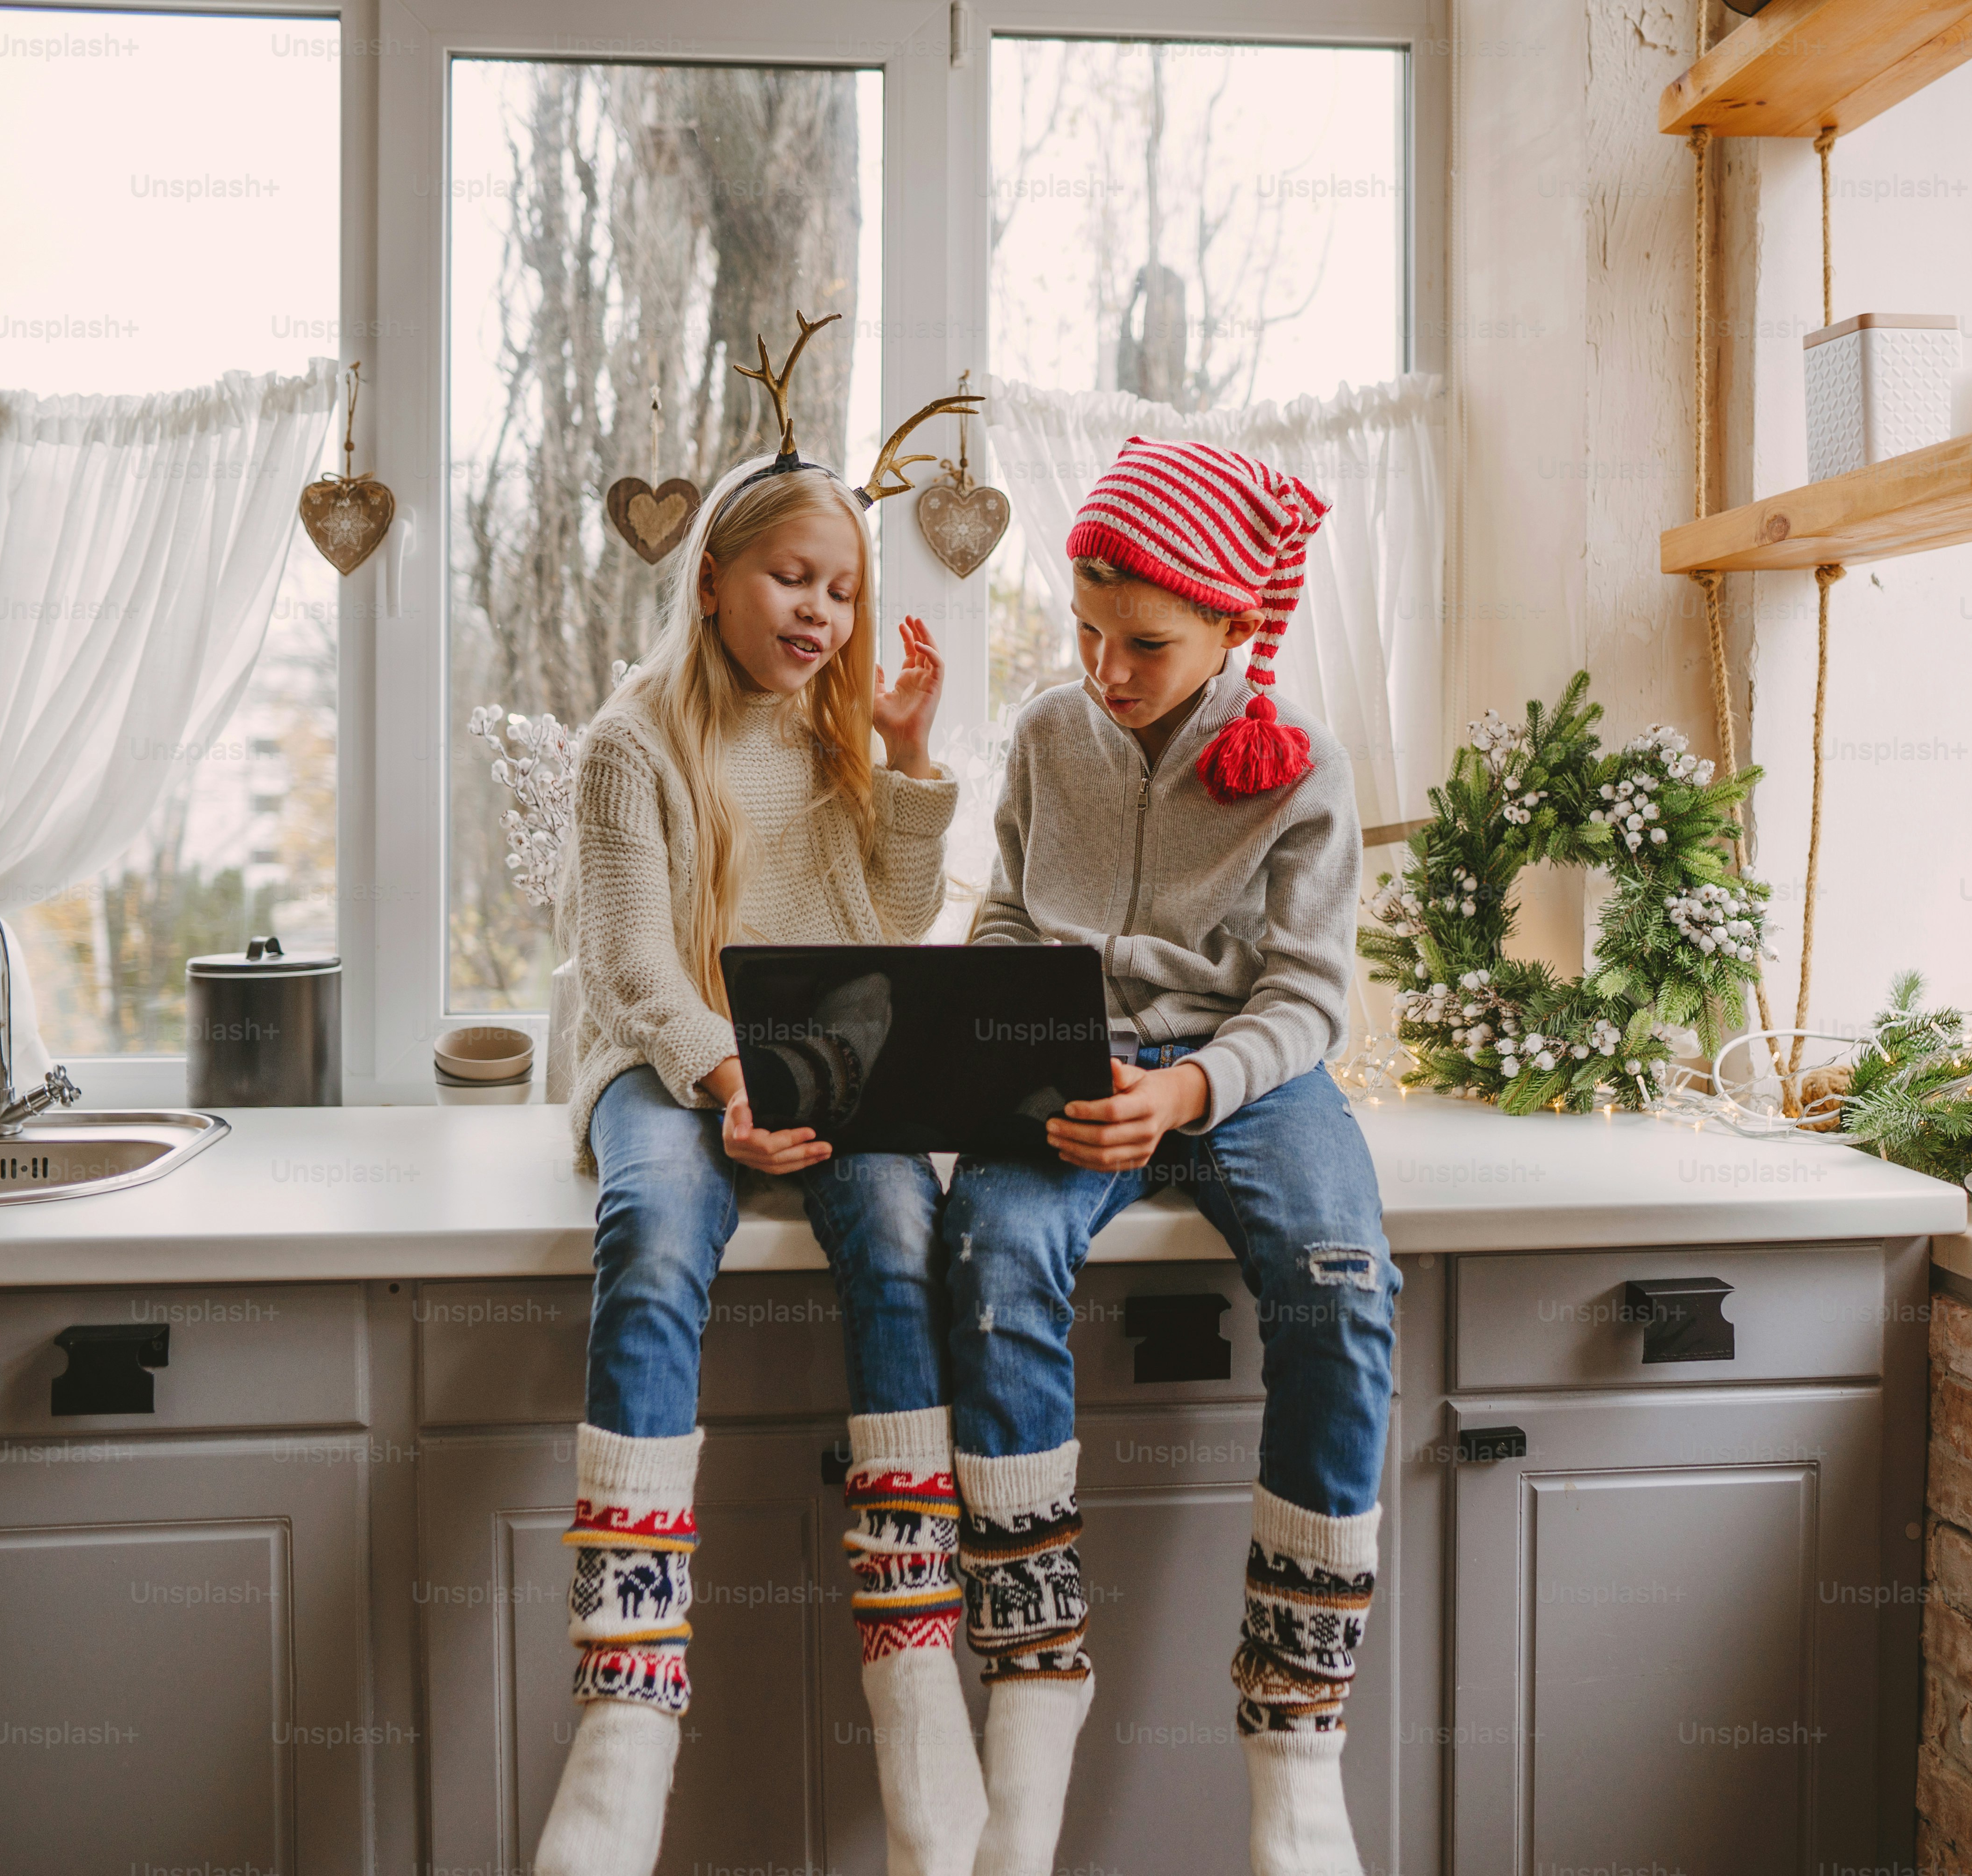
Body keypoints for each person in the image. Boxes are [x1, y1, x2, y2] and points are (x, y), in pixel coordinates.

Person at [941, 437, 1400, 1876]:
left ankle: (1296, 1733)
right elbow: (1006, 925)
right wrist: (1022, 1034)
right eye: (1085, 633)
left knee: (1342, 1285)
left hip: (1250, 1077)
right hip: (1069, 1064)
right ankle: (1032, 1699)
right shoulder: (1043, 737)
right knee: (991, 1256)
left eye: (1142, 643)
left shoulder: (1301, 767)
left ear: (1229, 626)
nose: (1106, 668)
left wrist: (1191, 1089)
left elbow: (1310, 999)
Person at [535, 445, 980, 1876]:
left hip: (814, 1049)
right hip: (663, 1049)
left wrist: (910, 762)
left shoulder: (830, 731)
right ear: (714, 577)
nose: (821, 617)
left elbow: (893, 924)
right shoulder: (631, 740)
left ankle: (914, 1663)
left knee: (901, 1228)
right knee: (658, 1237)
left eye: (843, 593)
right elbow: (625, 968)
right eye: (794, 580)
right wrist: (728, 1080)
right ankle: (628, 1698)